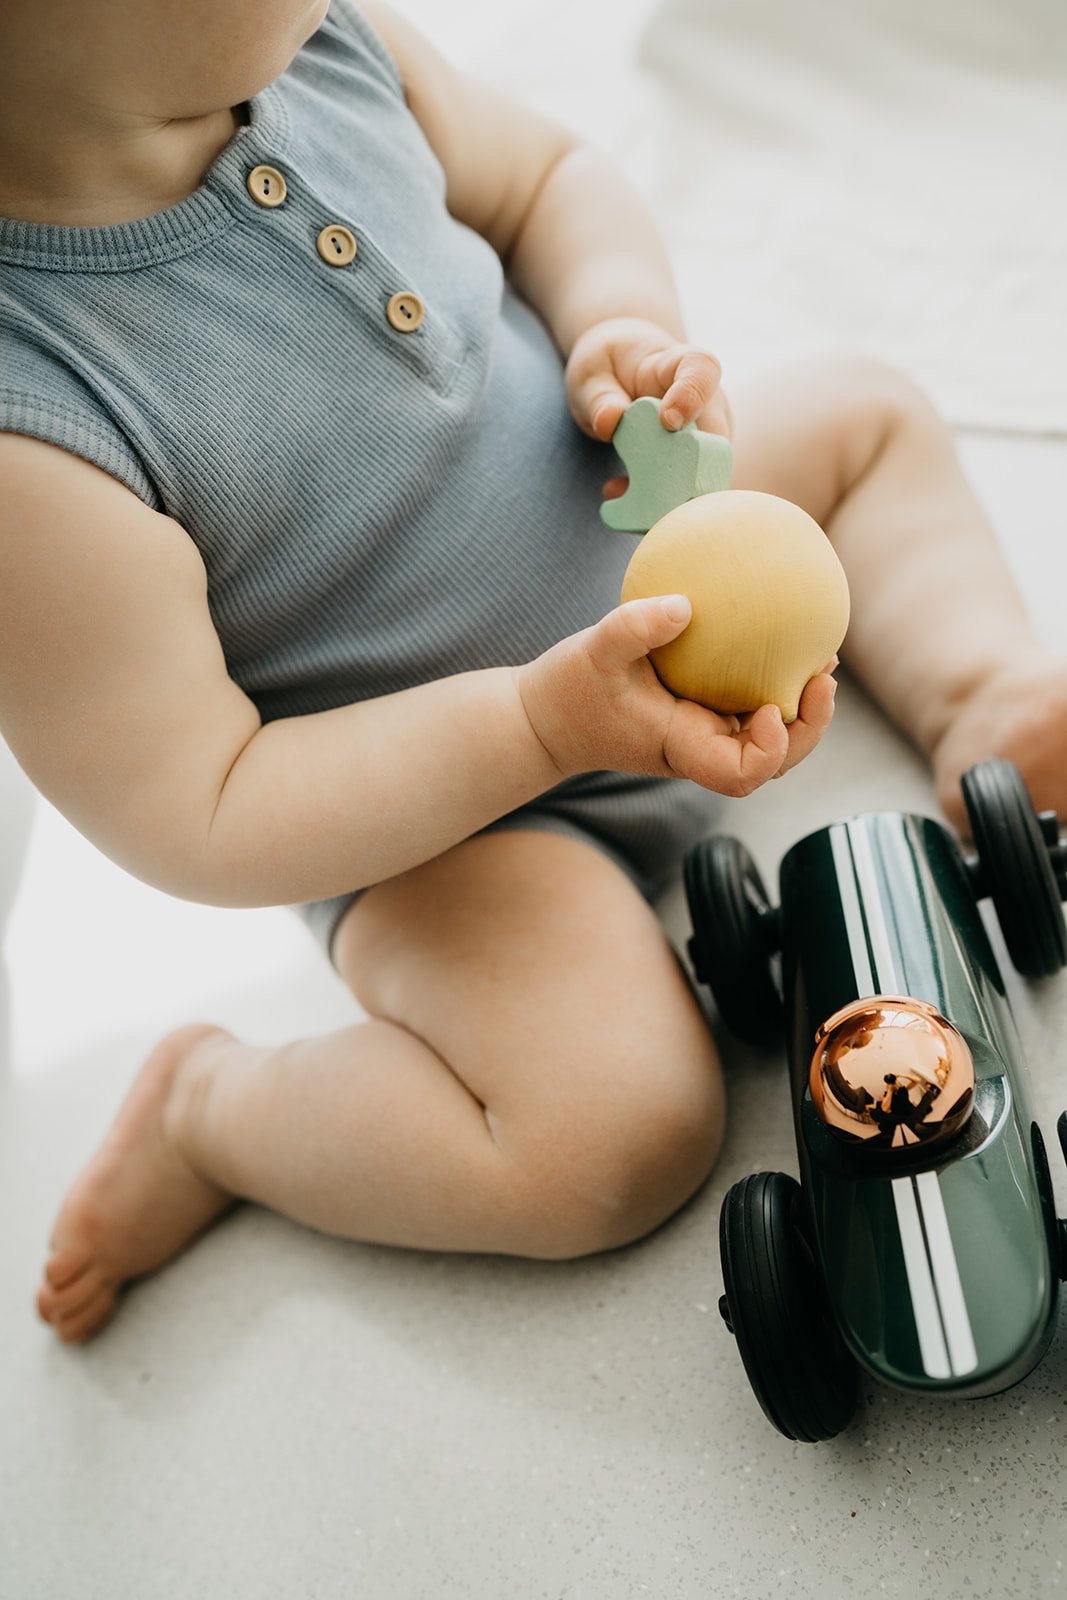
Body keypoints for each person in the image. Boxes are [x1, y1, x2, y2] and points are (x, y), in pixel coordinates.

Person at [2, 0, 1063, 1345]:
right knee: (613, 1139)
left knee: (864, 414)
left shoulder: (326, 47)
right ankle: (216, 1113)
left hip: (643, 545)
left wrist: (618, 323)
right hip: (455, 823)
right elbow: (202, 807)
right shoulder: (32, 425)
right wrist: (531, 728)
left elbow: (550, 177)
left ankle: (982, 689)